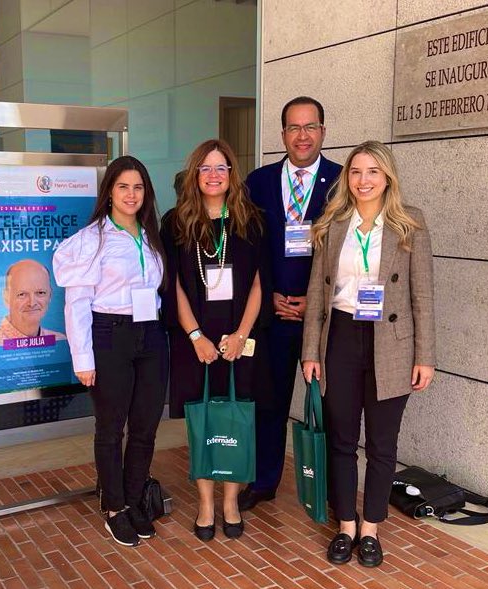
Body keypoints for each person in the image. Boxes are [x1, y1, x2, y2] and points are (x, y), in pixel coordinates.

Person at [301, 141, 436, 568]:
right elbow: (316, 296)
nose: (363, 180)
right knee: (341, 440)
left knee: (382, 443)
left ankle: (371, 529)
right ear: (347, 178)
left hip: (390, 342)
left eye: (373, 172)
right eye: (356, 172)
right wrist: (310, 352)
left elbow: (422, 298)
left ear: (387, 177)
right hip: (340, 338)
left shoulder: (410, 224)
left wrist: (425, 356)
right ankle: (345, 524)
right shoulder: (332, 223)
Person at [52, 156, 168, 547]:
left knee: (146, 427)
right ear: (110, 193)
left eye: (138, 187)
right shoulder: (92, 240)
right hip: (110, 335)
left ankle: (134, 500)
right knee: (110, 427)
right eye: (123, 187)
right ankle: (115, 508)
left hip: (150, 336)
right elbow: (77, 304)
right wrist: (83, 359)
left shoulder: (150, 236)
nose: (131, 195)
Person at [161, 139, 271, 541]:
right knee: (202, 420)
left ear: (231, 174)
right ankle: (206, 503)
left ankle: (230, 500)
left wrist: (242, 334)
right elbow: (172, 286)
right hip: (197, 342)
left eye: (221, 168)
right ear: (194, 174)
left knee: (235, 419)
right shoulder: (176, 222)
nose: (213, 175)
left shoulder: (251, 221)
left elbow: (260, 283)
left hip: (238, 341)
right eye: (205, 168)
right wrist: (194, 336)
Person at [239, 96, 342, 511]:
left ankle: (333, 492)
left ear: (323, 131)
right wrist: (271, 301)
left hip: (326, 318)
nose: (302, 136)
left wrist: (314, 304)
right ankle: (264, 482)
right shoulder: (258, 182)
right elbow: (249, 250)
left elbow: (351, 255)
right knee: (270, 404)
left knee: (332, 407)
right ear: (282, 134)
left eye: (310, 127)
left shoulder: (341, 181)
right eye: (294, 128)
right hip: (273, 316)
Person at [0, 259, 66, 349]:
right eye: (22, 294)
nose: (32, 303)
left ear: (50, 295)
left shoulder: (60, 341)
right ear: (6, 297)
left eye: (40, 293)